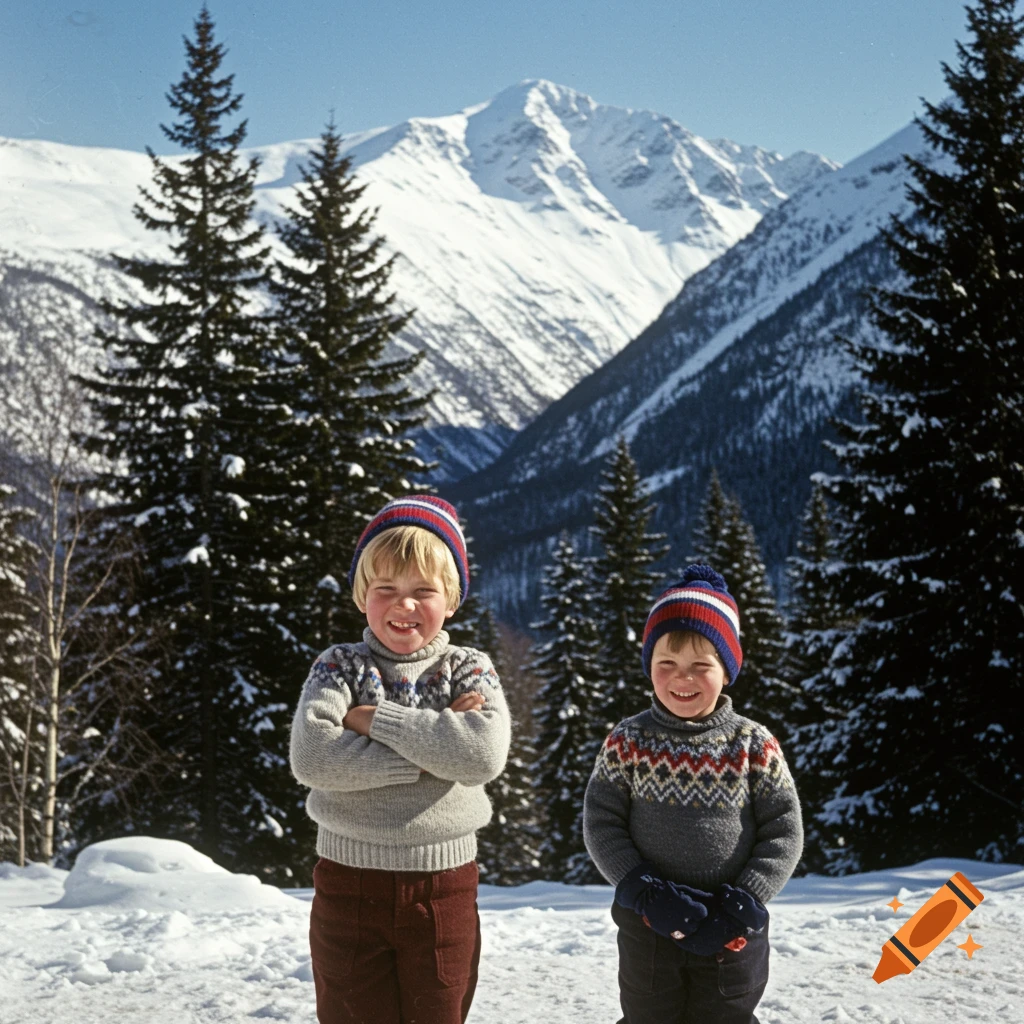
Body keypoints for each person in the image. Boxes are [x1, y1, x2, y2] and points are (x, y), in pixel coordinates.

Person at [289, 494, 511, 1024]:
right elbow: (313, 758)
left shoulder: (469, 667)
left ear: (452, 599)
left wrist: (374, 721)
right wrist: (436, 751)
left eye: (423, 592)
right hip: (347, 882)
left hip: (445, 885)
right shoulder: (337, 666)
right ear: (362, 594)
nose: (402, 605)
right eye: (385, 588)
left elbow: (481, 754)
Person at [583, 563, 803, 1024]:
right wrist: (640, 888)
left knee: (726, 1016)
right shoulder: (628, 741)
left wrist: (749, 897)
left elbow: (784, 830)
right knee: (649, 1016)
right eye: (667, 664)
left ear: (726, 670)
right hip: (649, 919)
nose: (682, 678)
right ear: (649, 668)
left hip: (732, 923)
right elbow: (602, 823)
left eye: (700, 666)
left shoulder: (753, 743)